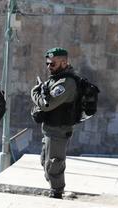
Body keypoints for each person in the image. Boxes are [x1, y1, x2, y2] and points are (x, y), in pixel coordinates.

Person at [30, 47, 78, 199]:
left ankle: (57, 193)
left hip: (59, 130)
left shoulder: (66, 83)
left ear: (64, 62)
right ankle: (55, 188)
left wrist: (34, 92)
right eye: (47, 64)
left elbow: (47, 104)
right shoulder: (56, 79)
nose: (49, 67)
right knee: (45, 162)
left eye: (53, 64)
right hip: (50, 129)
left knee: (54, 164)